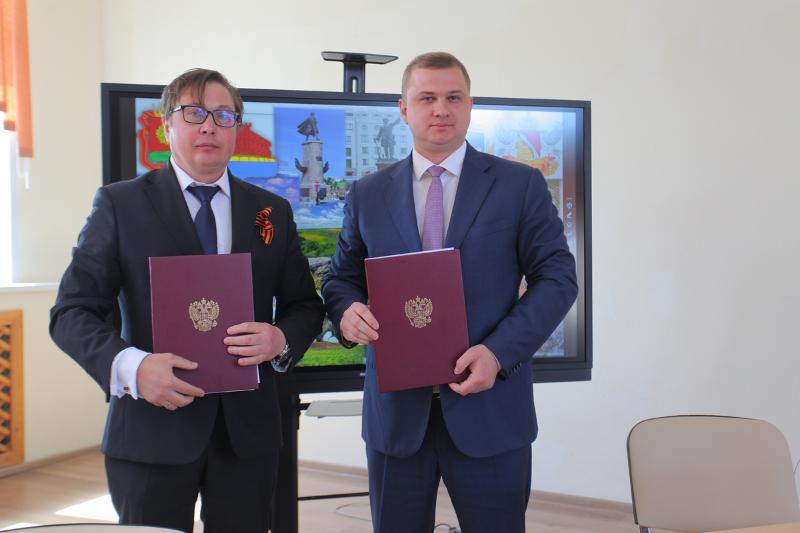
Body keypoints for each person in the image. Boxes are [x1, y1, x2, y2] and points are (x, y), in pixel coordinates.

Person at [50, 68, 324, 533]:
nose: (209, 126)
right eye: (193, 113)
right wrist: (133, 367)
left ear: (237, 128)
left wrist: (280, 338)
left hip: (247, 437)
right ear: (166, 125)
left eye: (223, 115)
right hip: (151, 429)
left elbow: (305, 305)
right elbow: (71, 312)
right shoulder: (120, 205)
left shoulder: (270, 211)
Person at [322, 52, 578, 532]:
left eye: (453, 97)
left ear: (470, 106)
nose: (441, 109)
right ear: (404, 109)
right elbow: (340, 279)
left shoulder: (518, 185)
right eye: (427, 98)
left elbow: (559, 278)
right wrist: (348, 310)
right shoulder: (368, 194)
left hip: (491, 411)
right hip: (397, 419)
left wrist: (498, 353)